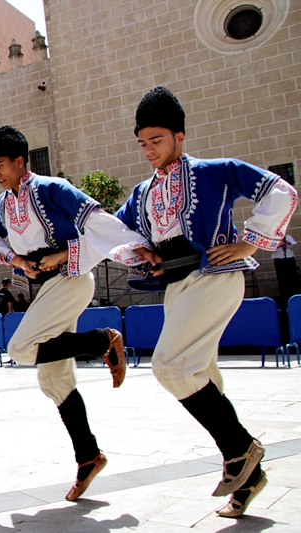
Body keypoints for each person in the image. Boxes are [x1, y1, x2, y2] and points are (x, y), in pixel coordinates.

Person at [115, 86, 298, 517]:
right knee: (201, 375)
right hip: (177, 287)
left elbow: (281, 192)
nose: (149, 151)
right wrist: (142, 252)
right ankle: (247, 474)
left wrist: (248, 243)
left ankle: (242, 448)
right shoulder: (143, 194)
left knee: (169, 366)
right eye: (142, 143)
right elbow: (115, 233)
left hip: (216, 275)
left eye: (156, 140)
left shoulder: (217, 171)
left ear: (181, 135)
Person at [0, 125, 152, 500]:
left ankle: (102, 340)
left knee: (19, 348)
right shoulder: (2, 205)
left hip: (72, 278)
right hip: (47, 287)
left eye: (1, 165)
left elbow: (97, 225)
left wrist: (64, 255)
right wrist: (19, 261)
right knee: (54, 380)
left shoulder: (52, 189)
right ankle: (88, 456)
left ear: (20, 161)